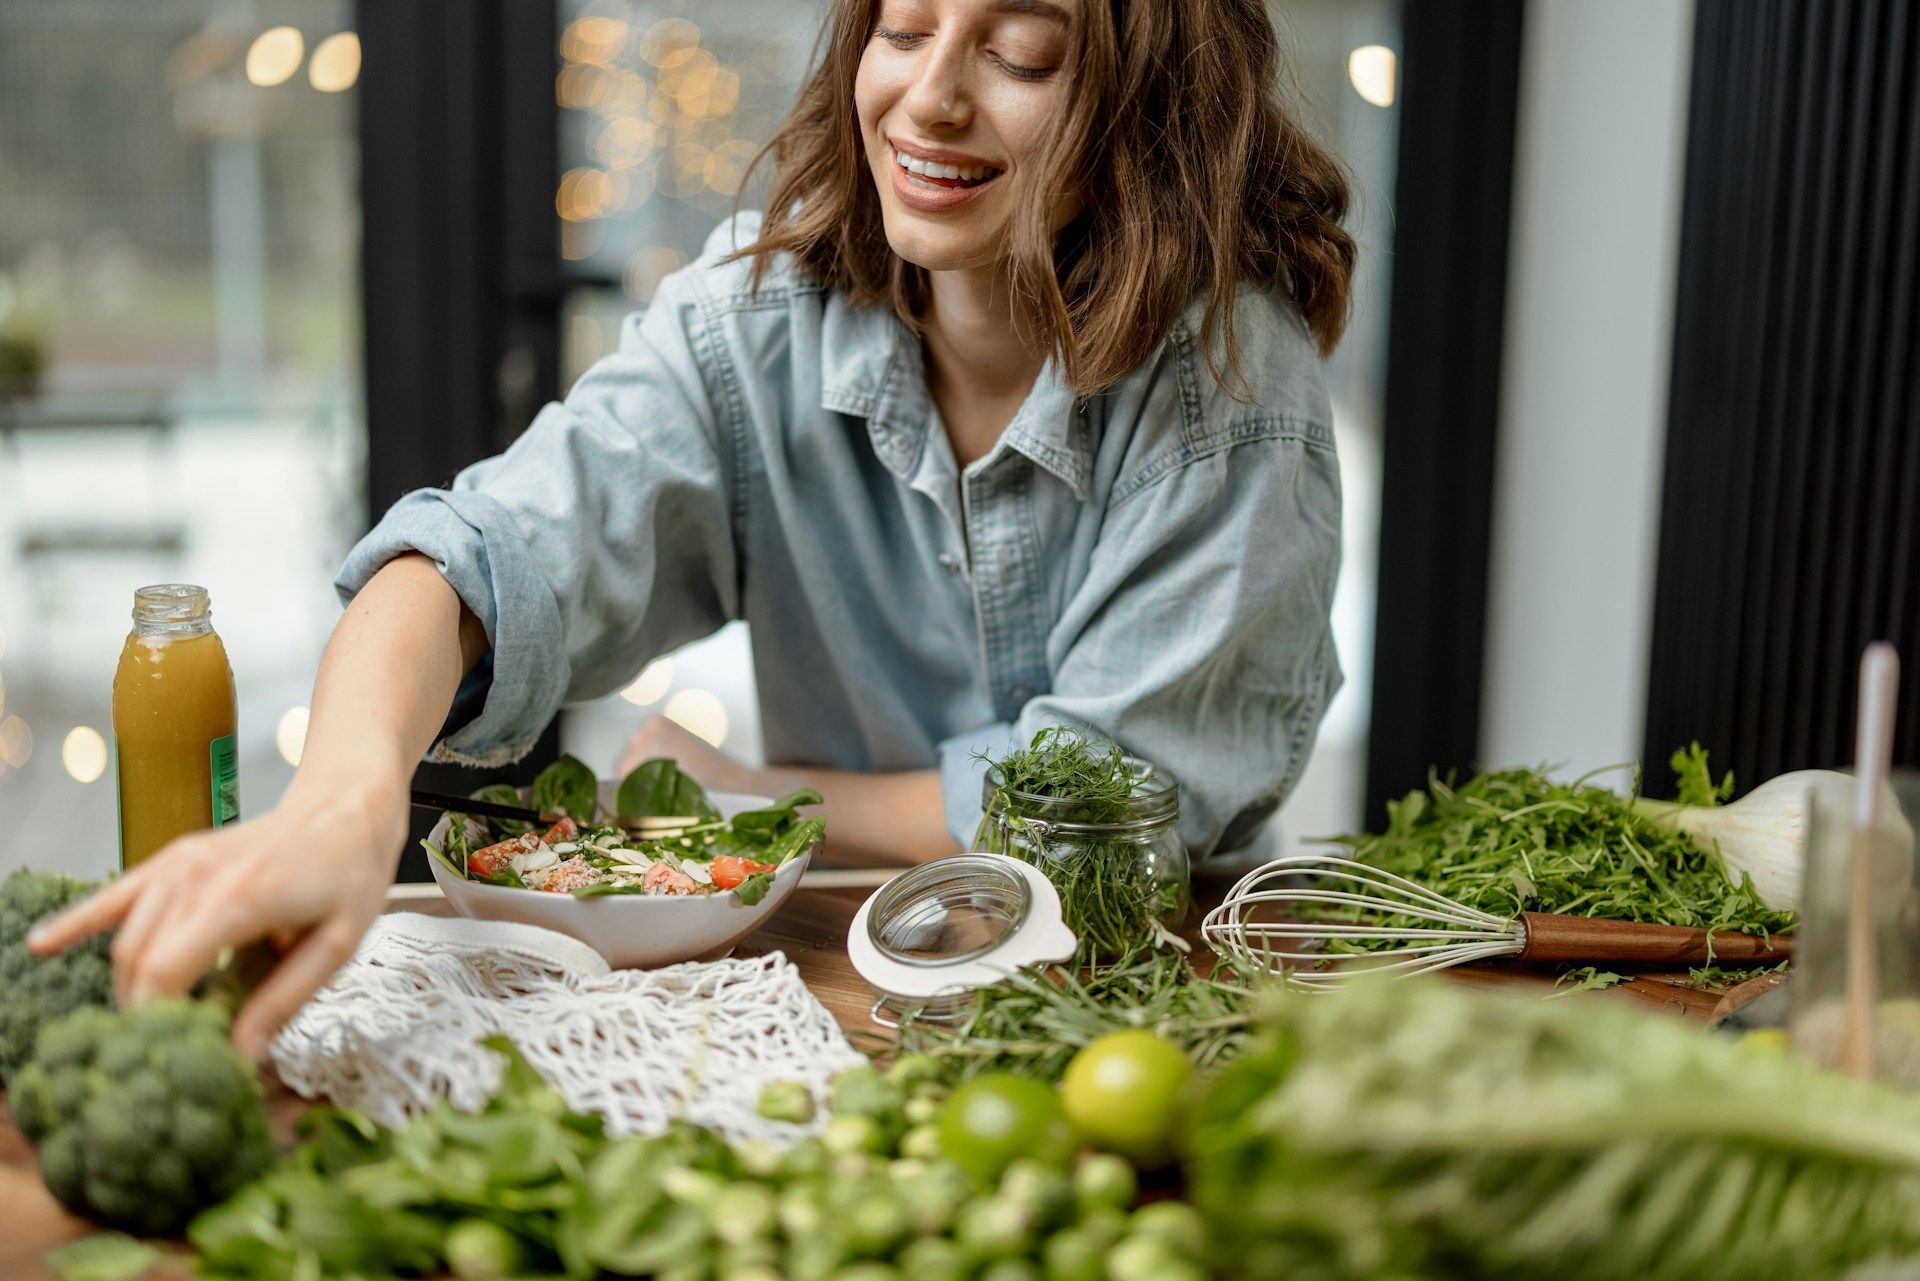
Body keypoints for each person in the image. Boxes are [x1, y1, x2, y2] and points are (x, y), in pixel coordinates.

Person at [33, 0, 1353, 1055]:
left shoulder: (1236, 391)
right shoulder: (753, 324)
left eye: (1020, 53)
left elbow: (1102, 810)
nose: (932, 94)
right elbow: (483, 554)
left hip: (1150, 1010)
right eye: (902, 30)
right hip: (848, 990)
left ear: (1146, 111)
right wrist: (342, 797)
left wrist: (765, 796)